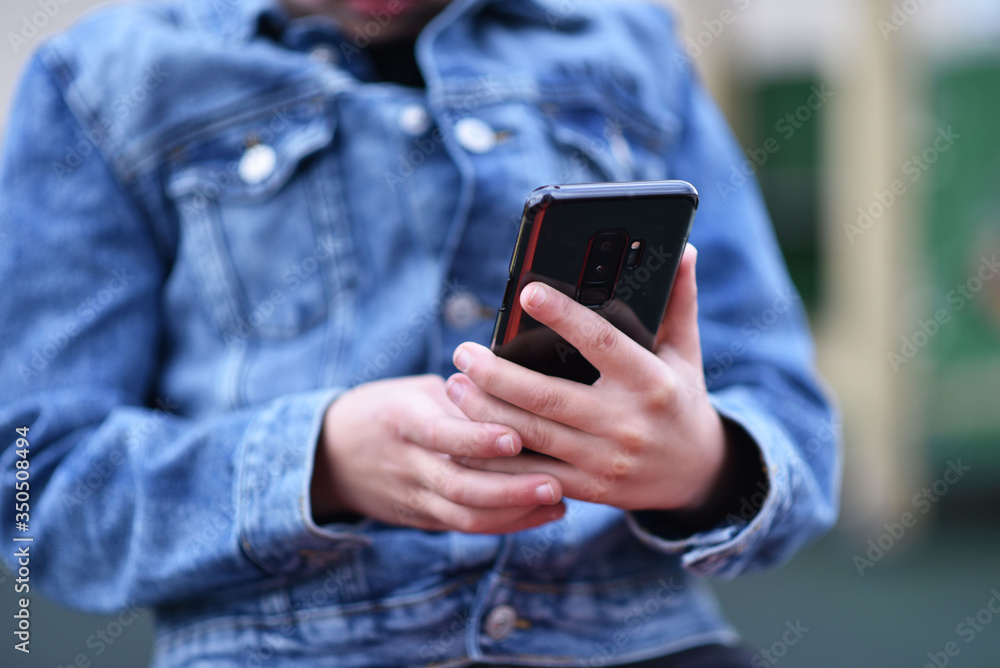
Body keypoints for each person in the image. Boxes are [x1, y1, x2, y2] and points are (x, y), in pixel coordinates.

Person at [0, 0, 841, 665]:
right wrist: (317, 461)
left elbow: (791, 416)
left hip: (641, 641)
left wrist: (702, 464)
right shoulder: (102, 80)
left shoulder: (634, 48)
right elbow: (33, 483)